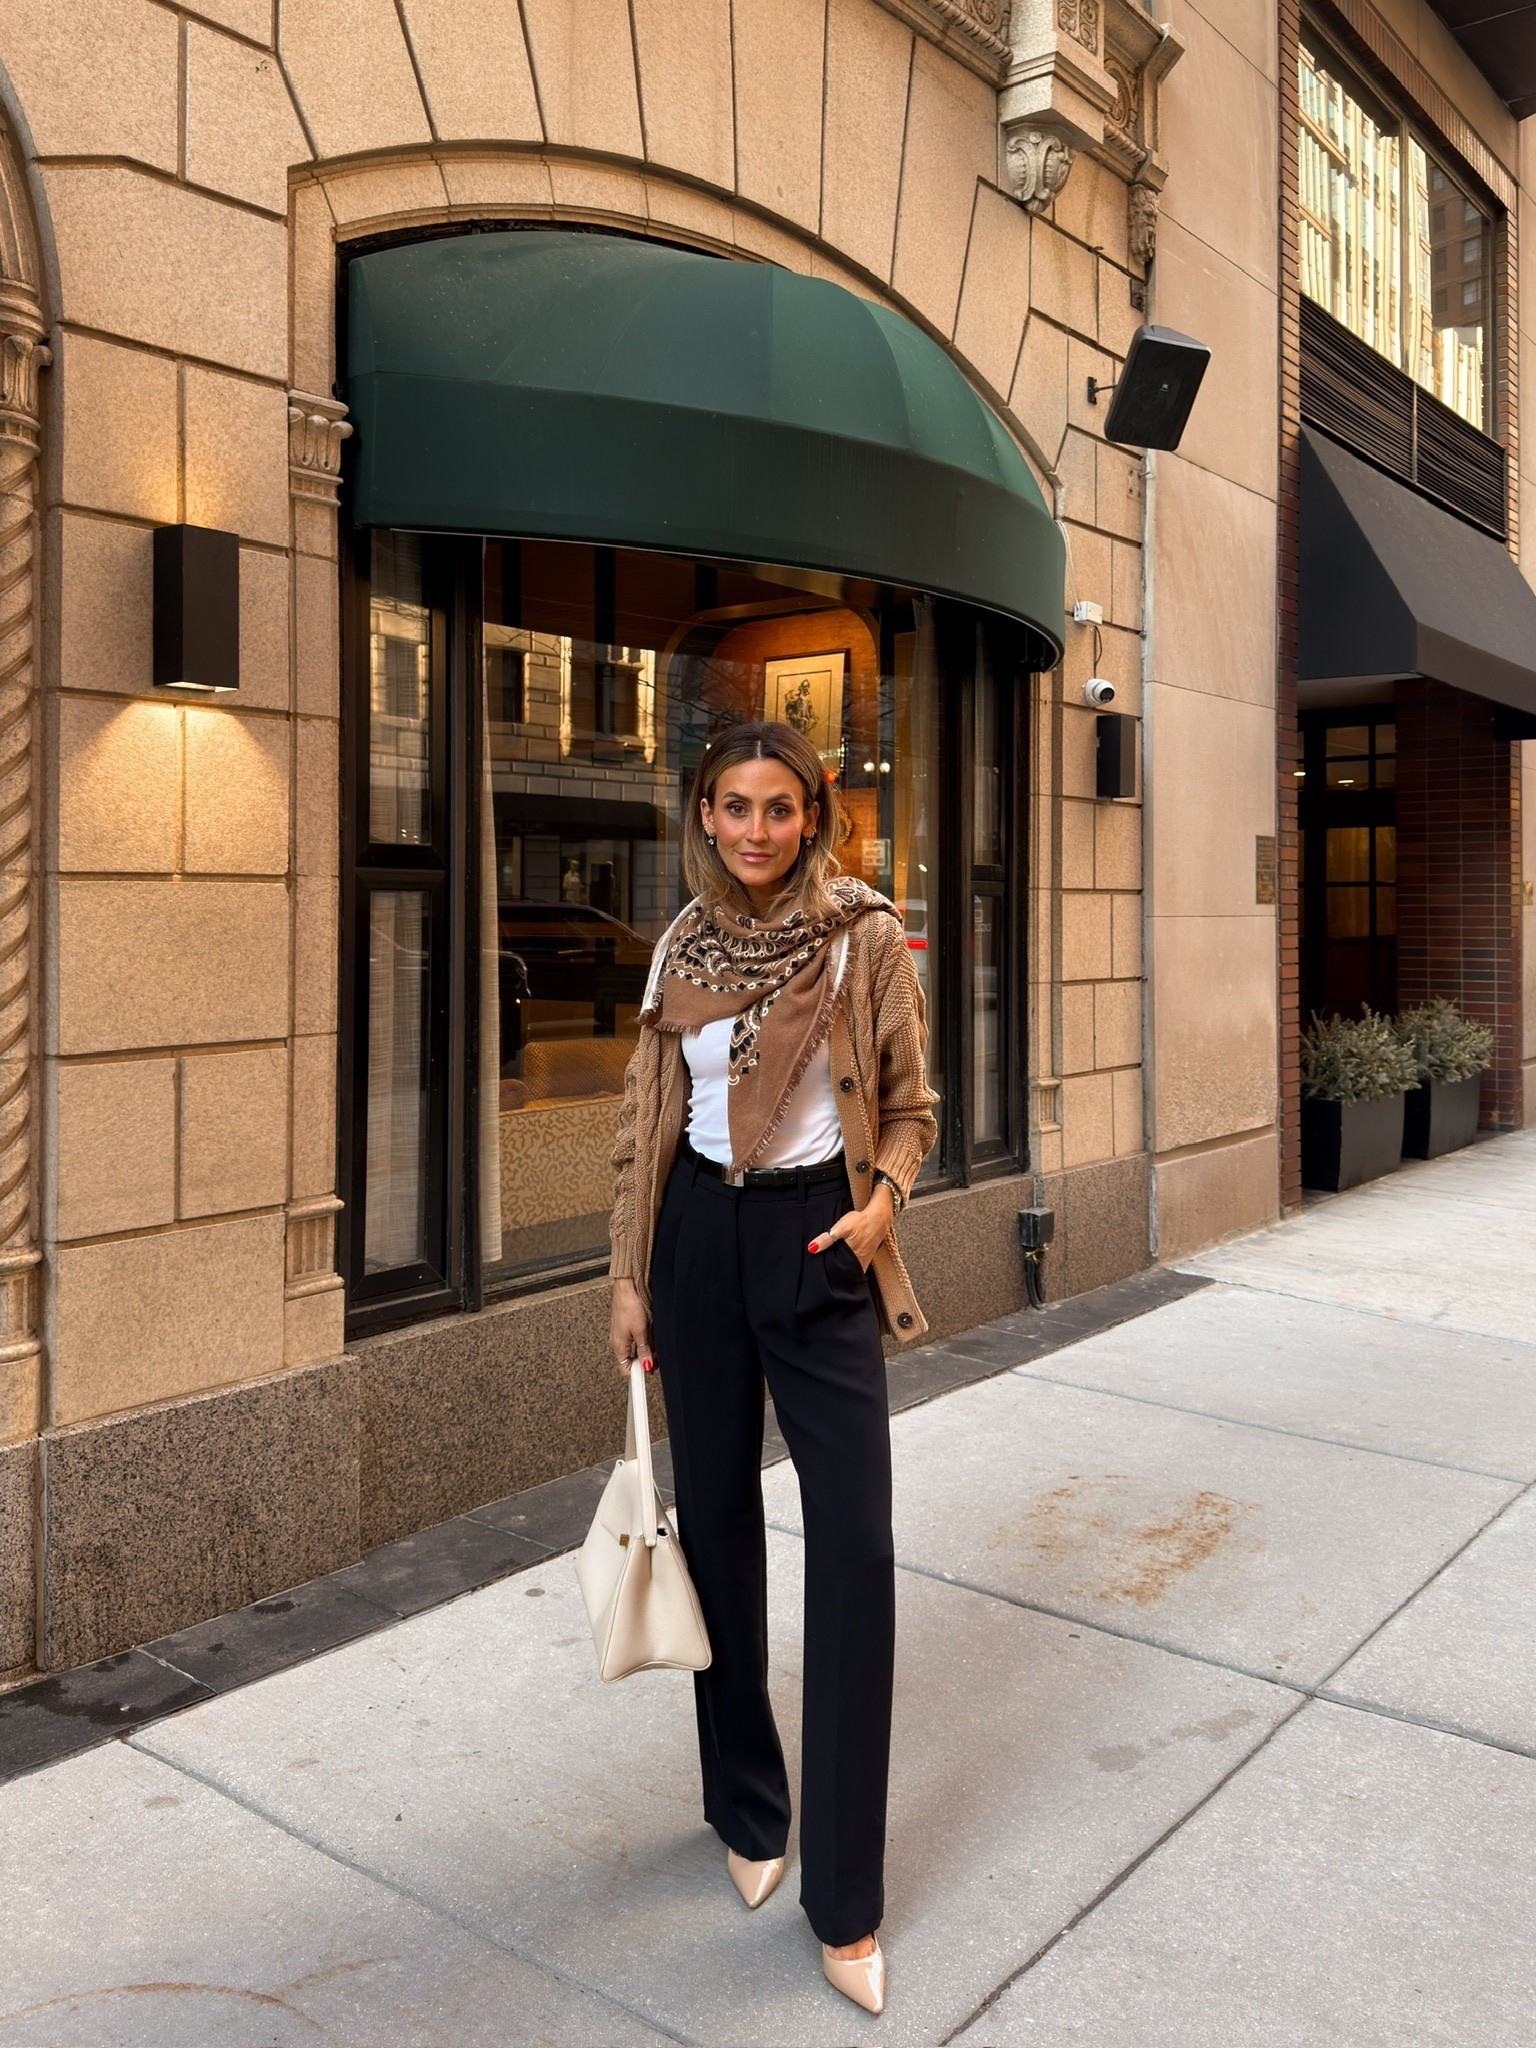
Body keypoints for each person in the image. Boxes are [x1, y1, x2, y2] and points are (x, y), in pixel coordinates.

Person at [608, 719, 937, 2018]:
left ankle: (845, 1900)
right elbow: (645, 1120)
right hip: (695, 1236)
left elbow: (910, 1103)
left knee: (854, 1544)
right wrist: (628, 1276)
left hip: (817, 1235)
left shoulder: (860, 936)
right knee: (721, 1529)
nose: (754, 831)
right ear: (702, 814)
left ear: (817, 814)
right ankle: (748, 1800)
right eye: (731, 808)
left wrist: (886, 1204)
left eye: (777, 809)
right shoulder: (679, 948)